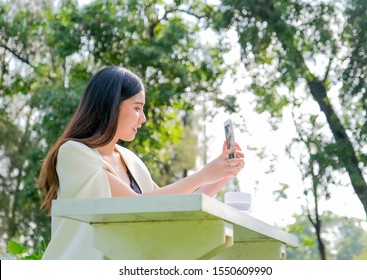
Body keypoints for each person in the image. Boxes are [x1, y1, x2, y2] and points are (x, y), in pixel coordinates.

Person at [37, 65, 245, 259]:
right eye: (137, 108)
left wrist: (223, 175)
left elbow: (175, 206)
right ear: (111, 106)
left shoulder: (130, 160)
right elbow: (137, 206)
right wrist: (202, 175)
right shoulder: (74, 153)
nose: (143, 118)